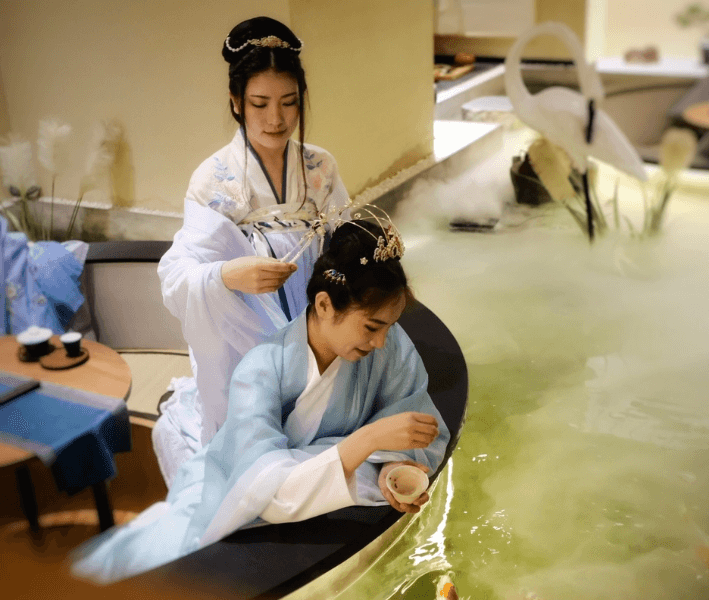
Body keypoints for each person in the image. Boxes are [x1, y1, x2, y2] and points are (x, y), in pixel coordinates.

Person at [71, 219, 450, 583]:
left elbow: (415, 423)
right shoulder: (261, 368)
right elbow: (260, 487)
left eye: (389, 325)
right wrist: (368, 441)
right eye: (372, 327)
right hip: (235, 481)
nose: (382, 341)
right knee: (157, 563)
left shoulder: (389, 344)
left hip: (320, 483)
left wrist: (389, 469)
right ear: (323, 305)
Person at [155, 16, 351, 485]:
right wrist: (227, 275)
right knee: (254, 460)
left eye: (289, 102)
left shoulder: (320, 167)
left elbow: (346, 243)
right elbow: (178, 274)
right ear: (235, 101)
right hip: (242, 336)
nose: (276, 119)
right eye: (260, 103)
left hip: (319, 323)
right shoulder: (213, 179)